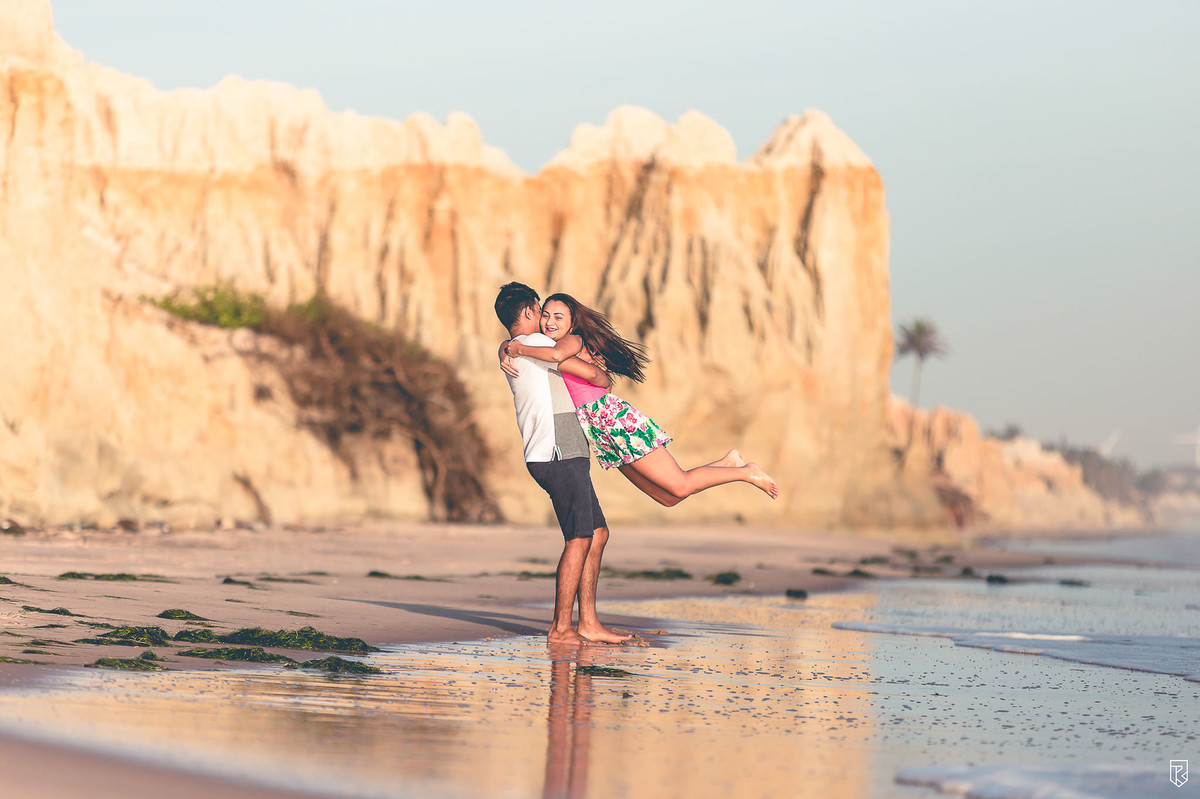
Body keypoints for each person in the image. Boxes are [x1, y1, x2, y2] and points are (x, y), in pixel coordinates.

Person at [501, 292, 779, 507]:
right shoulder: (550, 343)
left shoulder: (571, 340)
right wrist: (505, 348)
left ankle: (746, 472)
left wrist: (516, 347)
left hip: (611, 419)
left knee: (680, 486)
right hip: (598, 430)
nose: (549, 321)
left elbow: (557, 357)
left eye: (558, 317)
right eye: (546, 314)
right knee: (667, 498)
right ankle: (727, 463)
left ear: (572, 321)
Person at [493, 282, 630, 645]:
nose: (545, 319)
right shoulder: (536, 345)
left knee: (597, 534)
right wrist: (600, 375)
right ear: (528, 311)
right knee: (579, 538)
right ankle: (560, 628)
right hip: (557, 452)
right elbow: (586, 372)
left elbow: (527, 351)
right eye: (541, 311)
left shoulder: (520, 347)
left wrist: (505, 346)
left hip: (564, 450)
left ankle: (588, 622)